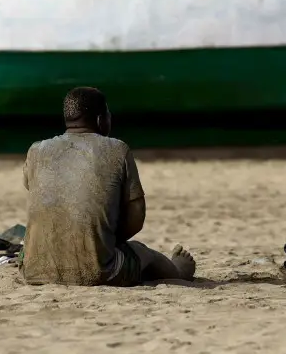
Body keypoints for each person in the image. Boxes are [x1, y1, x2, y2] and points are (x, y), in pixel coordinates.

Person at [20, 86, 196, 286]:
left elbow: (34, 188)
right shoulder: (117, 149)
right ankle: (179, 271)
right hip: (99, 272)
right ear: (99, 119)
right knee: (143, 252)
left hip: (32, 269)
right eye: (108, 114)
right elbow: (137, 216)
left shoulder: (37, 150)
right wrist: (106, 239)